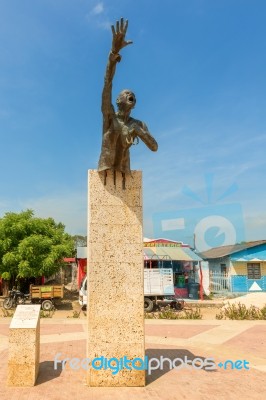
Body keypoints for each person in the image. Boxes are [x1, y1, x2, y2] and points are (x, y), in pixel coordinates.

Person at [98, 18, 158, 187]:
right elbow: (107, 84)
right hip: (106, 172)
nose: (131, 95)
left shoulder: (138, 124)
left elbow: (154, 147)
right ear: (118, 100)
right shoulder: (109, 116)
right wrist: (112, 55)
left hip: (124, 173)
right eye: (126, 94)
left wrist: (141, 132)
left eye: (132, 95)